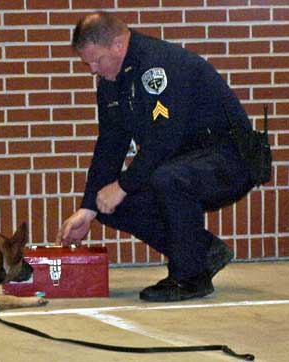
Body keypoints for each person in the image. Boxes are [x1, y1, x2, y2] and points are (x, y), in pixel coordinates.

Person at [56, 12, 255, 302]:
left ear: (118, 45)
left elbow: (165, 138)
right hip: (185, 162)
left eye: (96, 60)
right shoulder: (112, 80)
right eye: (88, 63)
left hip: (230, 159)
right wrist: (87, 209)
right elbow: (110, 144)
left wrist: (122, 186)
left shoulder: (158, 65)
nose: (92, 70)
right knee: (108, 204)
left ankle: (189, 278)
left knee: (164, 178)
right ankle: (202, 253)